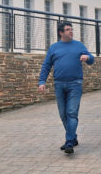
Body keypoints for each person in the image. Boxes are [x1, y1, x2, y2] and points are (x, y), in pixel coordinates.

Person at [38, 21, 94, 154]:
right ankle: (73, 138)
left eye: (71, 29)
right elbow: (46, 65)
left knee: (71, 113)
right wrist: (42, 81)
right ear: (61, 32)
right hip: (59, 84)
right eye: (68, 29)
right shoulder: (54, 48)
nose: (71, 31)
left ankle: (69, 142)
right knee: (63, 115)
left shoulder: (79, 45)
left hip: (75, 84)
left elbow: (92, 59)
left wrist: (87, 57)